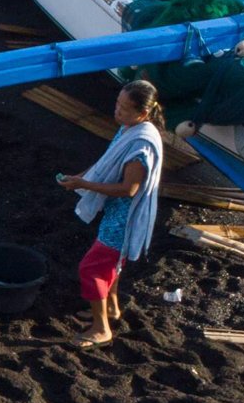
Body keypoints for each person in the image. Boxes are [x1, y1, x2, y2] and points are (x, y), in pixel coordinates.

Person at [54, 79, 165, 346]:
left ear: (143, 113)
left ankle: (101, 328)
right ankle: (112, 308)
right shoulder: (128, 129)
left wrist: (83, 184)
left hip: (124, 220)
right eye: (117, 104)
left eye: (125, 109)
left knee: (91, 269)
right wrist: (79, 176)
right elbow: (106, 161)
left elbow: (128, 189)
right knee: (111, 266)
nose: (118, 112)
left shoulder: (141, 147)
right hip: (114, 213)